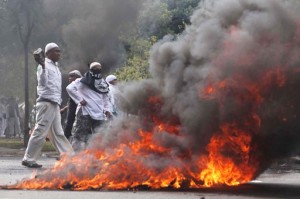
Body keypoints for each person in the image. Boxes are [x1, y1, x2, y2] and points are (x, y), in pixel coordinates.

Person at [22, 42, 73, 168]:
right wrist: (43, 66)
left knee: (58, 132)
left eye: (59, 51)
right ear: (48, 53)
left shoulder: (56, 67)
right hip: (46, 103)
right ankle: (28, 158)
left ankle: (69, 157)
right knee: (40, 131)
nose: (59, 53)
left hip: (54, 104)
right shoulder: (43, 66)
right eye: (56, 51)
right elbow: (43, 83)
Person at [66, 62, 112, 152]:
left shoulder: (102, 83)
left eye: (99, 68)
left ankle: (94, 157)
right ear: (91, 70)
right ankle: (77, 157)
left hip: (99, 113)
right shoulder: (83, 81)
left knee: (99, 136)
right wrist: (80, 99)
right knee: (79, 136)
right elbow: (70, 88)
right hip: (85, 112)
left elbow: (105, 98)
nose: (97, 70)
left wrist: (107, 109)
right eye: (95, 68)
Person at [61, 70, 82, 139]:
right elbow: (71, 102)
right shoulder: (70, 88)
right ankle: (66, 144)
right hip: (71, 112)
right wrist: (64, 109)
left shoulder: (82, 88)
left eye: (72, 76)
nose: (70, 78)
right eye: (69, 76)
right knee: (68, 125)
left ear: (78, 77)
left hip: (81, 111)